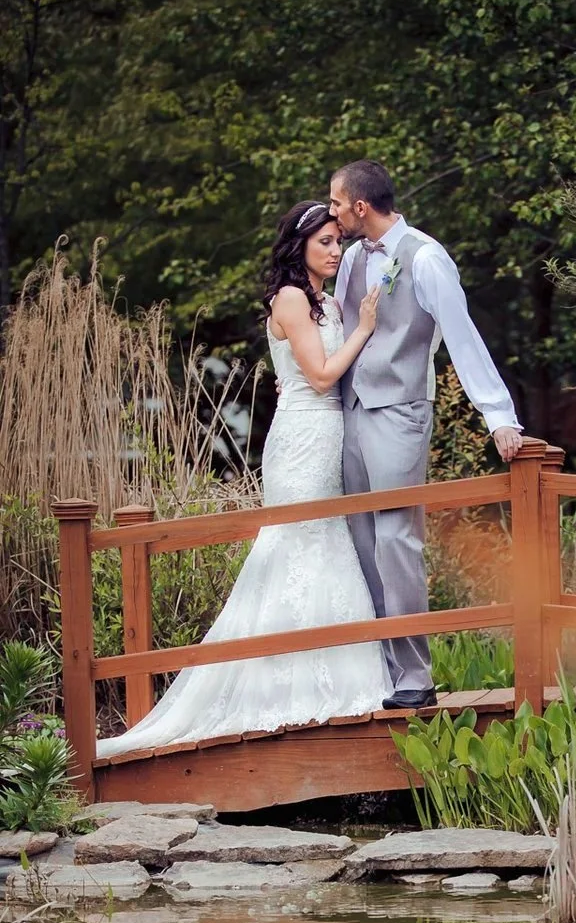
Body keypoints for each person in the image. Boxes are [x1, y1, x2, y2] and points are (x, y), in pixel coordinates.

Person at [97, 200, 390, 760]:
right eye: (324, 242)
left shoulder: (322, 300)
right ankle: (280, 688)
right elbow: (323, 377)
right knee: (296, 546)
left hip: (325, 434)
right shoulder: (290, 298)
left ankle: (342, 686)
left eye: (338, 242)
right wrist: (368, 328)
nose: (335, 251)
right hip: (305, 436)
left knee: (328, 545)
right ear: (298, 246)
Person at [329, 159, 524, 710]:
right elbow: (341, 331)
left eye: (338, 202)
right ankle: (380, 671)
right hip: (349, 411)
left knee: (396, 540)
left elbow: (463, 338)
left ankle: (414, 676)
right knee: (362, 543)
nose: (333, 211)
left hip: (399, 413)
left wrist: (499, 417)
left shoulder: (426, 257)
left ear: (361, 206)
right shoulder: (348, 260)